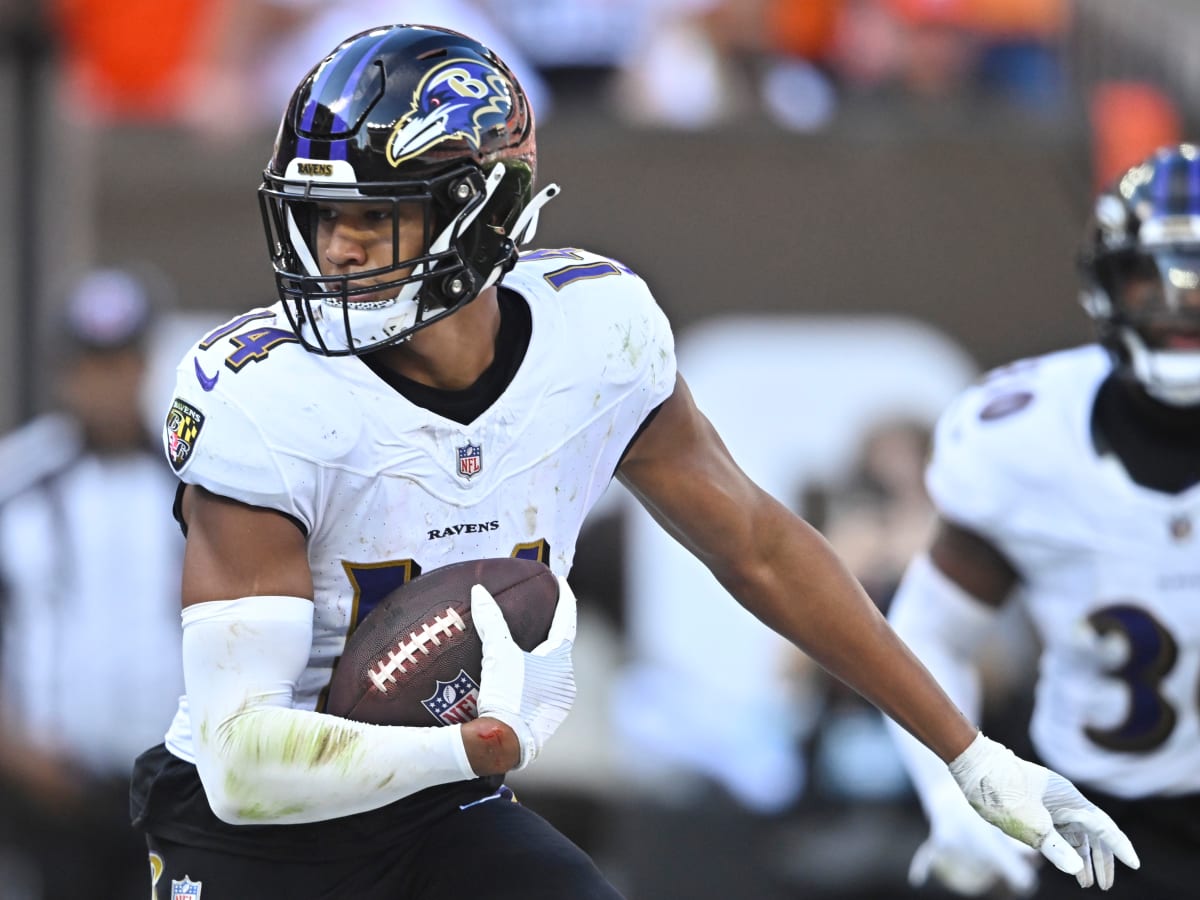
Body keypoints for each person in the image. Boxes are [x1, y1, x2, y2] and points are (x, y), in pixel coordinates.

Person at [129, 23, 1138, 899]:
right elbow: (239, 764)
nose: (337, 251)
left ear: (481, 211)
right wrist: (478, 744)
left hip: (436, 807)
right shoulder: (264, 398)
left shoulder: (595, 338)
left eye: (371, 216)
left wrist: (968, 753)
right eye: (321, 217)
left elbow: (758, 546)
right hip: (255, 834)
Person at [884, 142, 1200, 899]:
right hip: (1102, 827)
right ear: (1106, 285)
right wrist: (953, 795)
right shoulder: (1026, 442)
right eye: (1150, 276)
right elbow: (928, 634)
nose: (1181, 303)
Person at [0, 267, 185, 900]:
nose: (106, 384)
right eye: (91, 365)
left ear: (145, 366)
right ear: (65, 373)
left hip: (170, 787)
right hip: (48, 792)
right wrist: (14, 750)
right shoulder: (18, 481)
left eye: (121, 363)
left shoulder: (193, 485)